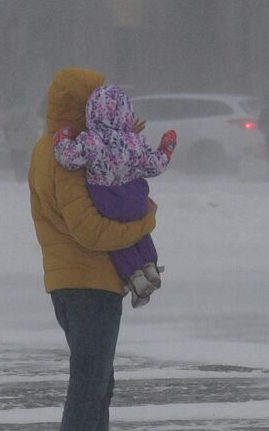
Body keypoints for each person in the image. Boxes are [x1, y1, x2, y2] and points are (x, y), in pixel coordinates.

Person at [29, 67, 157, 431]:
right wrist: (146, 220)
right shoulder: (67, 158)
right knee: (88, 389)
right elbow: (89, 228)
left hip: (74, 281)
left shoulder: (58, 148)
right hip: (88, 283)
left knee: (98, 387)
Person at [53, 84, 177, 308]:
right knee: (137, 228)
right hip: (135, 197)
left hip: (106, 199)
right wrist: (166, 148)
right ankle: (151, 266)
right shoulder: (133, 142)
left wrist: (63, 137)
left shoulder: (89, 140)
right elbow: (154, 167)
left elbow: (69, 158)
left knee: (116, 238)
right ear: (126, 113)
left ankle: (135, 276)